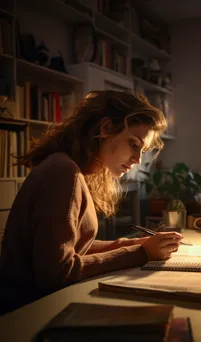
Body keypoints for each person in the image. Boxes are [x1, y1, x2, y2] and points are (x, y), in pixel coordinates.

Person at [0, 90, 183, 314]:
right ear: (106, 128)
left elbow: (73, 246)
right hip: (27, 314)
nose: (137, 160)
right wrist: (141, 253)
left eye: (142, 150)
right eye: (133, 144)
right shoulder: (63, 172)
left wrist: (135, 244)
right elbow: (56, 273)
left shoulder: (71, 169)